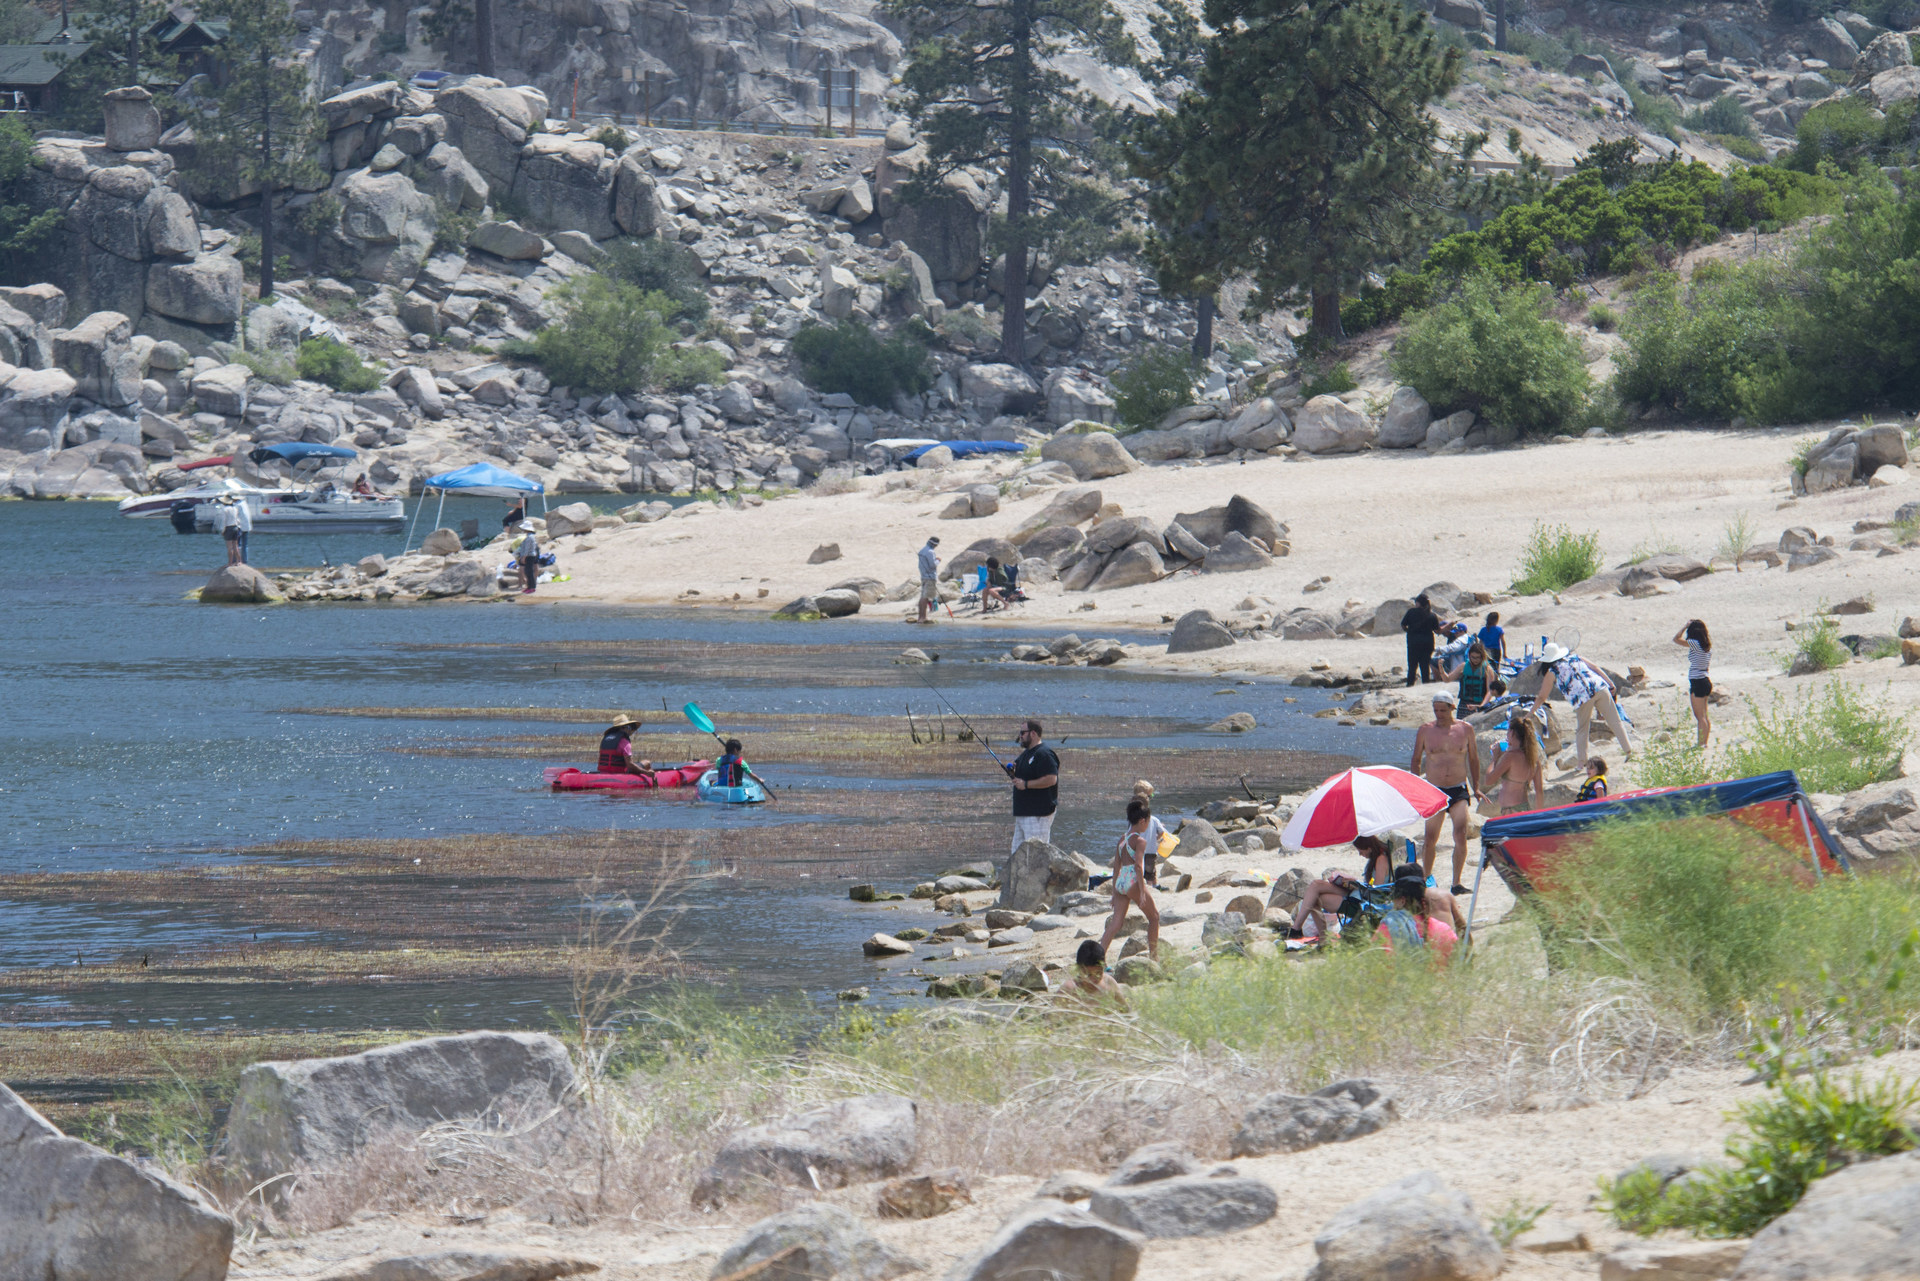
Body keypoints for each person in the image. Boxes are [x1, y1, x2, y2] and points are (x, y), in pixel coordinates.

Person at [1411, 689, 1481, 896]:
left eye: (1443, 710)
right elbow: (1415, 760)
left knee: (1460, 834)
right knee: (1430, 837)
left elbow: (1473, 759)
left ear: (1452, 708)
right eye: (1436, 710)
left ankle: (1456, 882)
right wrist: (1416, 787)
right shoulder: (1425, 730)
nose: (1439, 714)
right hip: (1434, 790)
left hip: (1458, 788)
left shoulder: (1465, 729)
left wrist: (1476, 787)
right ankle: (1425, 879)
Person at [1535, 644, 1634, 765]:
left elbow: (1542, 696)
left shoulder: (1552, 672)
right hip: (1599, 687)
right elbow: (1596, 668)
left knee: (1582, 730)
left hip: (1582, 697)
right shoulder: (1576, 657)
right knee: (1615, 721)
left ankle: (1582, 762)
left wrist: (1530, 712)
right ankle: (1629, 752)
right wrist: (1610, 683)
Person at [1098, 798, 1160, 959]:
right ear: (1142, 821)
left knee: (1115, 925)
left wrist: (1114, 891)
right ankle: (1154, 957)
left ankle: (1098, 959)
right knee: (1154, 918)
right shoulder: (1140, 841)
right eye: (1147, 821)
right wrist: (1141, 891)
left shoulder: (1122, 839)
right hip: (1133, 881)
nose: (1147, 825)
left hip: (1120, 882)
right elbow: (1138, 866)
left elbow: (1116, 866)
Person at [1376, 867, 1458, 963]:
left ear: (1402, 901)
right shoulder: (1444, 929)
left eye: (1394, 899)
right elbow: (1457, 960)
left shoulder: (1389, 927)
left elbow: (1373, 962)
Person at [1006, 719, 1059, 854]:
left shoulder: (1044, 754)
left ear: (1033, 734)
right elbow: (1019, 770)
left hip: (1038, 813)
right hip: (1023, 812)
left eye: (1023, 732)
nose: (1020, 736)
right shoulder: (1026, 754)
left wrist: (1026, 784)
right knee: (1017, 854)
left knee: (1036, 854)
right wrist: (1012, 771)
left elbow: (1051, 779)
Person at [1481, 715, 1545, 817]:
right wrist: (1539, 816)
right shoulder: (1533, 758)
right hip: (1523, 808)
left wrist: (1495, 758)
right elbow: (1539, 791)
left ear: (1512, 733)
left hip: (1510, 811)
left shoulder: (1510, 757)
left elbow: (1489, 780)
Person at [1675, 620, 1713, 748]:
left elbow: (1676, 639)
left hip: (1698, 681)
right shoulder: (1707, 646)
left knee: (1699, 716)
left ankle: (1701, 743)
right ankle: (1704, 742)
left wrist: (1684, 626)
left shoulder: (1695, 644)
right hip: (1705, 679)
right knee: (1704, 715)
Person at [1132, 781, 1173, 886]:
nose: (1151, 798)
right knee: (1151, 872)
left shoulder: (1133, 819)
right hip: (1150, 850)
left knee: (1138, 871)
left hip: (1138, 851)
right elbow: (1161, 832)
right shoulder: (1153, 819)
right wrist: (1156, 838)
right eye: (1150, 796)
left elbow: (1130, 834)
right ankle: (1153, 887)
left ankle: (1143, 887)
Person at [1400, 594, 1444, 686]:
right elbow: (1437, 630)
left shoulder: (1411, 612)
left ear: (1418, 603)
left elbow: (1403, 625)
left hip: (1413, 643)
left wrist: (1409, 631)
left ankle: (1410, 685)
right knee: (1425, 667)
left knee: (1412, 667)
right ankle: (1425, 685)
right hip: (1427, 644)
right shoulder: (1432, 615)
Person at [1069, 939, 1126, 1003]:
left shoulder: (1109, 983)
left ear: (1103, 967)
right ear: (1078, 969)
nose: (1093, 980)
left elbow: (1125, 1009)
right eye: (1088, 975)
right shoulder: (1069, 991)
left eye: (1098, 974)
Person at [1451, 641, 1495, 713]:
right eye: (1473, 657)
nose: (1475, 660)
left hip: (1479, 703)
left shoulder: (1488, 669)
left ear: (1482, 656)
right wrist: (1441, 668)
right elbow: (1447, 679)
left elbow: (1490, 691)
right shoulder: (1464, 666)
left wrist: (1482, 705)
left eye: (1478, 657)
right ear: (1469, 656)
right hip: (1464, 703)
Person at [514, 521, 541, 594]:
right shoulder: (529, 536)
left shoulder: (529, 537)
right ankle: (529, 587)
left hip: (529, 556)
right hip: (529, 555)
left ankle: (532, 587)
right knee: (528, 572)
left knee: (529, 572)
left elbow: (527, 549)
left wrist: (523, 557)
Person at [214, 499, 240, 565]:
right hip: (235, 527)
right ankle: (238, 561)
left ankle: (230, 562)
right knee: (235, 546)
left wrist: (222, 530)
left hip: (228, 528)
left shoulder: (224, 509)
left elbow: (223, 521)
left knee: (229, 547)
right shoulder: (235, 508)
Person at [229, 494, 252, 564]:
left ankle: (235, 560)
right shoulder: (244, 503)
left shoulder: (236, 505)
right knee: (245, 545)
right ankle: (245, 561)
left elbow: (234, 516)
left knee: (237, 544)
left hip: (240, 526)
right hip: (247, 526)